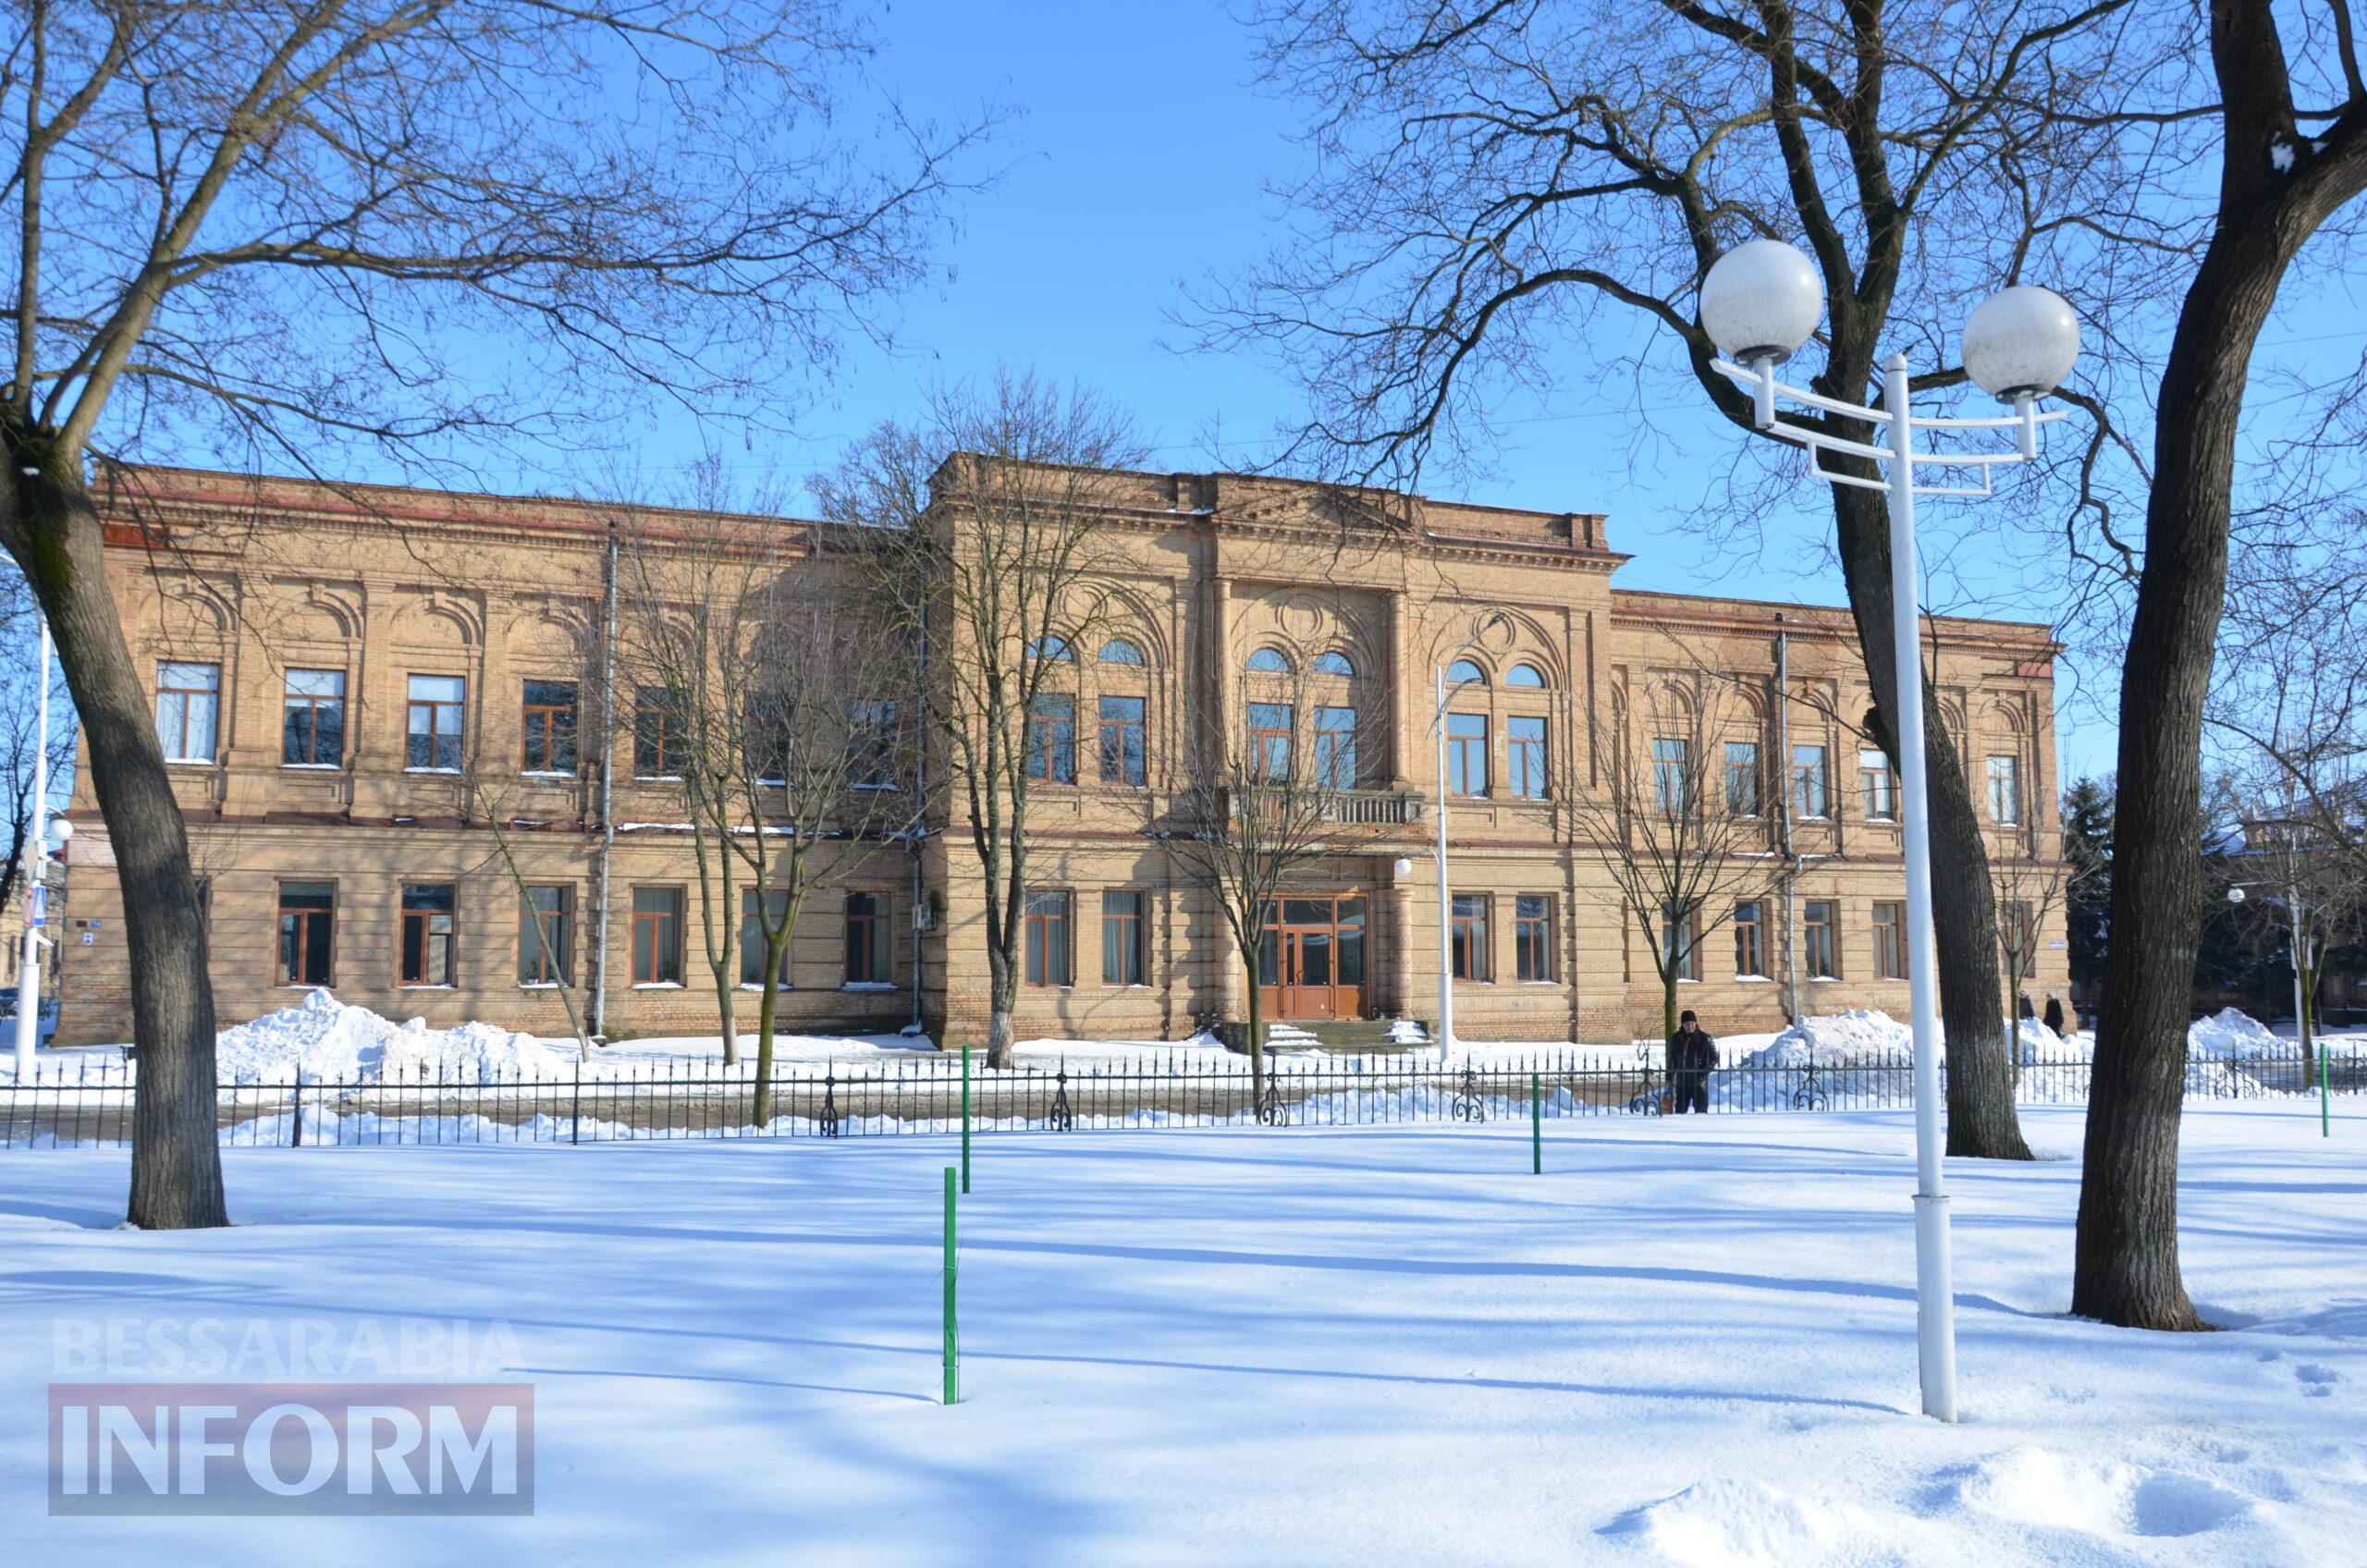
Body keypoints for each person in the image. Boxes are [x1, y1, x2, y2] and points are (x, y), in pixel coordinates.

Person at [1665, 1010, 1719, 1115]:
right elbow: (1672, 1058)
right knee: (1680, 1112)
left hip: (1699, 1083)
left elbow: (1714, 1057)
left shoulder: (1705, 1038)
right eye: (1687, 1024)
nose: (1690, 1026)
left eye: (1692, 1024)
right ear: (1682, 1025)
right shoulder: (1676, 1038)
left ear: (1696, 1023)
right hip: (1682, 1082)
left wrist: (1703, 1073)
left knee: (1701, 1113)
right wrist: (1669, 1075)